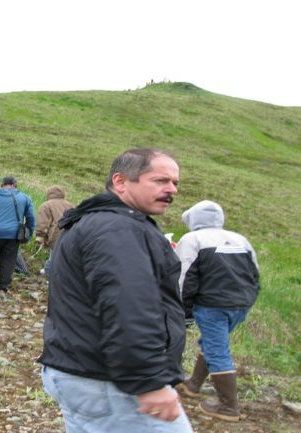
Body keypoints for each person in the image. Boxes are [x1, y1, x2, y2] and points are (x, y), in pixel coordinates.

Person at [37, 148, 193, 433]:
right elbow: (128, 307)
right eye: (160, 180)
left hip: (84, 371)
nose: (171, 189)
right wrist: (149, 381)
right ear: (121, 182)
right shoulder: (117, 228)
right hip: (108, 382)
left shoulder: (97, 221)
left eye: (175, 183)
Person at [176, 200, 260, 422]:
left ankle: (228, 406)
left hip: (212, 305)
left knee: (217, 349)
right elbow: (255, 272)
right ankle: (193, 384)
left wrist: (182, 311)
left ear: (192, 219)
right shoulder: (241, 239)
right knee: (214, 342)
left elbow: (184, 277)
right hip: (242, 303)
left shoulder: (192, 239)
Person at [35, 185, 75, 280]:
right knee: (61, 256)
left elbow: (43, 222)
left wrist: (40, 235)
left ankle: (51, 277)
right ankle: (50, 272)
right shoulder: (71, 205)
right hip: (72, 235)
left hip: (56, 234)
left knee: (54, 256)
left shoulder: (46, 205)